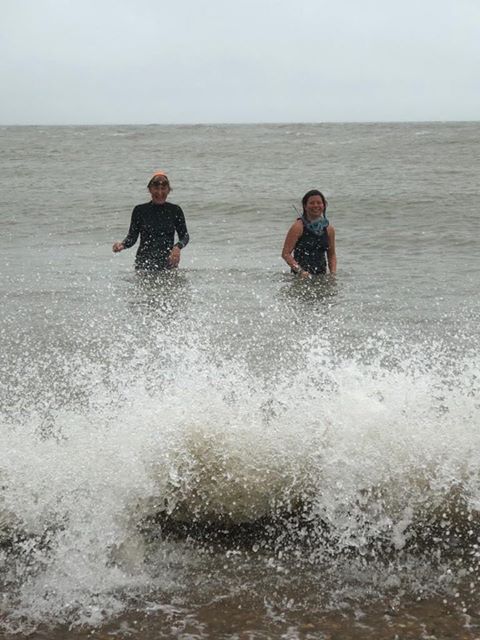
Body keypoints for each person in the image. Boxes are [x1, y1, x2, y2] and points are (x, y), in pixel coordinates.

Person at [112, 171, 189, 271]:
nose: (160, 193)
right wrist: (122, 245)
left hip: (168, 265)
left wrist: (178, 247)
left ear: (169, 190)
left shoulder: (175, 210)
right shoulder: (140, 210)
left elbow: (185, 236)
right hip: (144, 264)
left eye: (163, 189)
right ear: (150, 189)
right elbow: (132, 237)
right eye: (156, 188)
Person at [281, 189, 336, 277]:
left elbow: (332, 255)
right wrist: (300, 271)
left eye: (319, 203)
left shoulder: (329, 229)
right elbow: (285, 254)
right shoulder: (298, 227)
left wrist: (333, 274)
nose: (315, 205)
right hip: (300, 278)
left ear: (324, 205)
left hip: (321, 277)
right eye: (311, 203)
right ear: (305, 206)